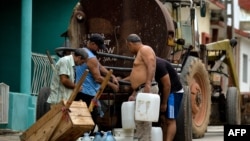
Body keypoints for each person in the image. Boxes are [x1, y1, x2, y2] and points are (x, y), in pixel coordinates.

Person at [74, 33, 119, 128]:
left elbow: (99, 66)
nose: (99, 49)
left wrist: (112, 76)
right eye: (98, 47)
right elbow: (98, 78)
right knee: (90, 121)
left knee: (82, 119)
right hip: (88, 93)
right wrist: (112, 85)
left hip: (81, 91)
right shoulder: (91, 58)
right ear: (93, 44)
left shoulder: (85, 52)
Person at [122, 34, 159, 141]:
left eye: (128, 47)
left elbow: (151, 65)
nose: (129, 49)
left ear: (130, 44)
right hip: (141, 89)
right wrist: (134, 93)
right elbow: (138, 74)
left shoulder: (145, 49)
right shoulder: (140, 52)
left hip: (146, 88)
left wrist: (148, 83)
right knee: (140, 120)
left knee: (144, 120)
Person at [154, 57, 183, 141]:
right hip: (164, 92)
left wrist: (164, 103)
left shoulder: (159, 65)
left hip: (174, 92)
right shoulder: (149, 64)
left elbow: (167, 85)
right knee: (163, 120)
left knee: (170, 120)